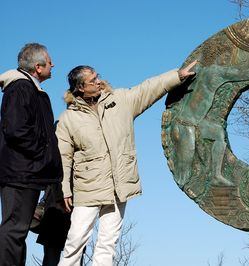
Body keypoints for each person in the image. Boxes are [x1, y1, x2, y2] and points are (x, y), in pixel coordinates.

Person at [57, 61, 197, 265]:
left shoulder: (120, 100)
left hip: (119, 185)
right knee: (75, 242)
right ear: (80, 88)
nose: (99, 81)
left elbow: (148, 88)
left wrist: (177, 76)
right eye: (92, 80)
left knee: (107, 244)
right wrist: (65, 190)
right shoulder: (68, 119)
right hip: (88, 187)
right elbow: (63, 157)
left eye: (97, 76)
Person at [0, 43, 62, 266]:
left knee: (19, 230)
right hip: (21, 173)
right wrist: (43, 155)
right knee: (14, 229)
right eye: (49, 60)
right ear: (38, 66)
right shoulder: (21, 89)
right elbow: (16, 129)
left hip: (26, 173)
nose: (53, 64)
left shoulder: (29, 88)